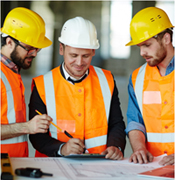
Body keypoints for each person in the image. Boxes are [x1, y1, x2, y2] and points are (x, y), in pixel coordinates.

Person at [29, 16, 126, 160]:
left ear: (93, 51)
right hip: (55, 166)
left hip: (99, 165)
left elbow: (116, 123)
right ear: (61, 49)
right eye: (73, 55)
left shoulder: (107, 80)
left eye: (85, 56)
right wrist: (62, 148)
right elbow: (37, 135)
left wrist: (115, 146)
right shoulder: (42, 85)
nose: (79, 62)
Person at [0, 7, 53, 157]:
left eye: (37, 49)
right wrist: (27, 127)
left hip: (13, 165)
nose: (34, 53)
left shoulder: (12, 72)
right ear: (9, 42)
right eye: (29, 48)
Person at [125, 7, 174, 166]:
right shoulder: (137, 77)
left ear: (166, 39)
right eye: (139, 46)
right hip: (152, 168)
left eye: (147, 45)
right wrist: (138, 148)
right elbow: (135, 121)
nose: (142, 53)